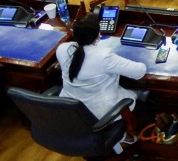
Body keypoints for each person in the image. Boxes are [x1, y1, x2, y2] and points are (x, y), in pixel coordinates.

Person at [57, 13, 146, 148]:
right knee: (144, 94)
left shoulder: (62, 50)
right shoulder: (103, 56)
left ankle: (122, 137)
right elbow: (139, 71)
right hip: (102, 116)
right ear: (98, 35)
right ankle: (128, 135)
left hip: (72, 113)